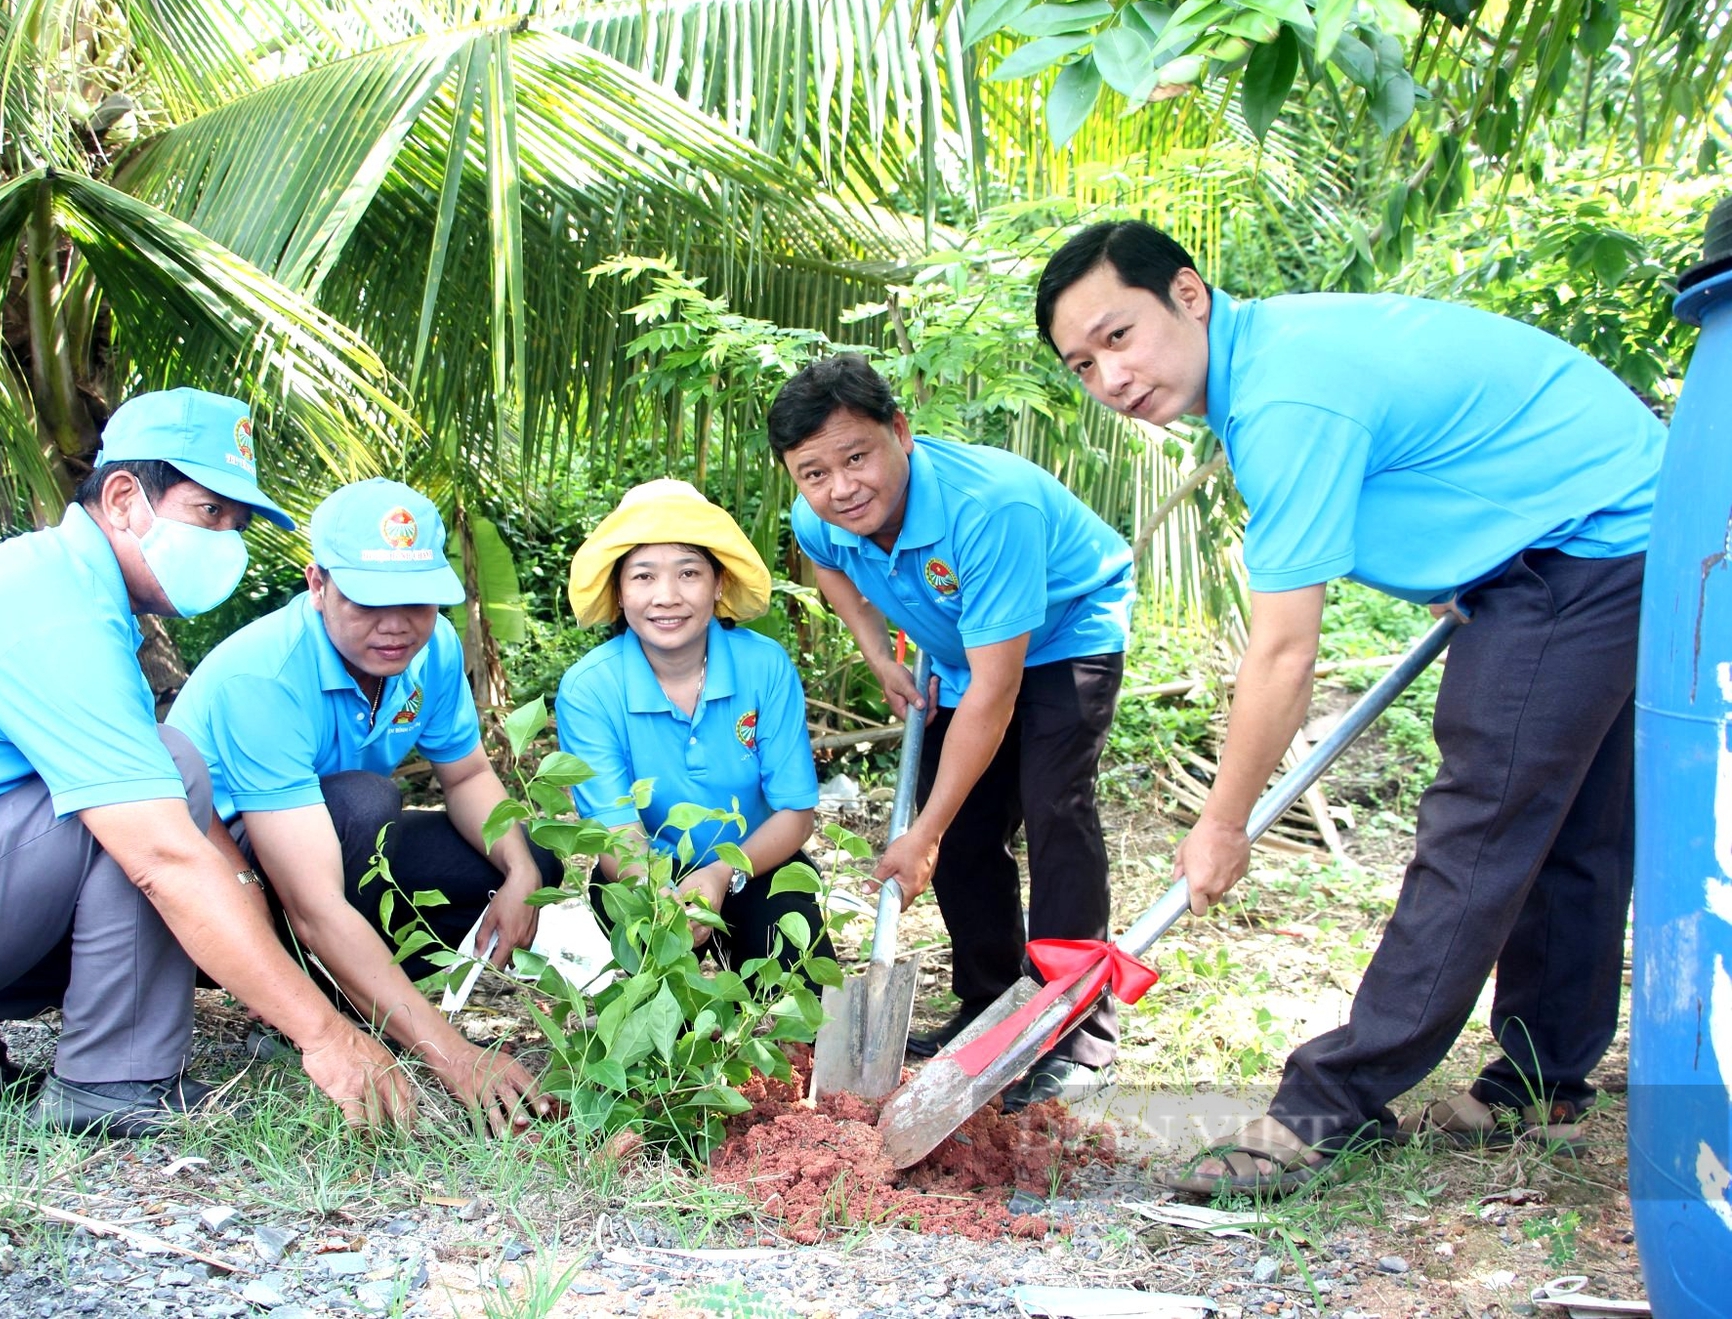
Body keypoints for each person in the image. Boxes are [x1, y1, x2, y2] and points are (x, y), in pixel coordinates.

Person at [1035, 219, 1665, 1193]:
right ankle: (1538, 1081)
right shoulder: (1269, 367)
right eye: (1081, 365)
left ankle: (1323, 1106)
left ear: (1187, 296)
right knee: (1570, 821)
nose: (1108, 378)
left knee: (1479, 819)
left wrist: (1220, 821)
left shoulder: (1284, 395)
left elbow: (1282, 651)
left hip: (1589, 539)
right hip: (1593, 527)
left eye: (1116, 336)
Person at [0, 388, 410, 1137]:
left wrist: (257, 936)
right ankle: (114, 1080)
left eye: (238, 525)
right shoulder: (55, 613)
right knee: (161, 781)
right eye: (210, 513)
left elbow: (195, 847)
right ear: (121, 497)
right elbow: (165, 855)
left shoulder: (64, 588)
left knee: (171, 777)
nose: (228, 543)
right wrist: (326, 1036)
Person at [765, 356, 1136, 1110]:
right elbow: (824, 559)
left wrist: (921, 832)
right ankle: (989, 997)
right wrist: (878, 651)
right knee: (965, 825)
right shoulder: (820, 514)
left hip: (1066, 636)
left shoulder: (989, 507)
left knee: (1053, 808)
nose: (841, 487)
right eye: (813, 472)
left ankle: (1074, 1029)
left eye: (858, 457)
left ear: (901, 431)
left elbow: (998, 692)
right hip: (967, 650)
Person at [167, 478, 559, 1133]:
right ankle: (303, 1009)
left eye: (417, 601)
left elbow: (465, 777)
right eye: (369, 601)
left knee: (524, 853)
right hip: (224, 890)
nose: (396, 625)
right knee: (364, 802)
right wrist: (455, 1056)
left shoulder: (430, 652)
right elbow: (313, 906)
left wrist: (523, 873)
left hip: (323, 852)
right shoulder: (264, 677)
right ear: (316, 584)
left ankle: (360, 999)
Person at [553, 479, 833, 972]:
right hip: (647, 873)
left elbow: (795, 812)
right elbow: (615, 832)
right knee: (661, 1027)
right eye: (643, 577)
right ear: (618, 591)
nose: (666, 596)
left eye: (688, 572)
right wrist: (662, 896)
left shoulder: (764, 667)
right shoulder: (589, 689)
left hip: (753, 864)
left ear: (719, 582)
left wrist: (721, 875)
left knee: (801, 982)